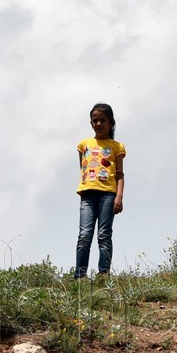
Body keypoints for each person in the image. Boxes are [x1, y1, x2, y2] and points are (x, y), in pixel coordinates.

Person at [74, 102, 125, 279]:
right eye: (95, 120)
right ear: (91, 123)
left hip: (107, 195)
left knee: (104, 235)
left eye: (103, 120)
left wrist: (119, 196)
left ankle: (104, 274)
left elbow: (119, 174)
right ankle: (80, 276)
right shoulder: (84, 145)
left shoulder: (116, 147)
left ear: (111, 123)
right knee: (84, 235)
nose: (98, 124)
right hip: (87, 194)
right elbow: (83, 167)